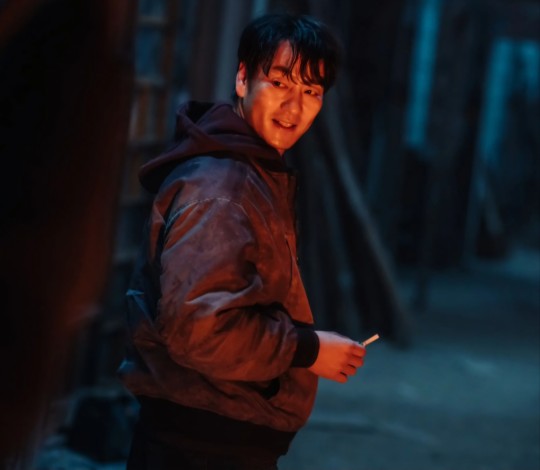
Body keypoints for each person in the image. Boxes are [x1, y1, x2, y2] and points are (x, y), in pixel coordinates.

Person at [119, 13, 366, 470]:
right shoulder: (222, 188)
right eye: (279, 83)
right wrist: (308, 350)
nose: (293, 107)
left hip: (213, 433)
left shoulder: (252, 170)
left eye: (311, 92)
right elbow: (197, 330)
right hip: (200, 445)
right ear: (242, 79)